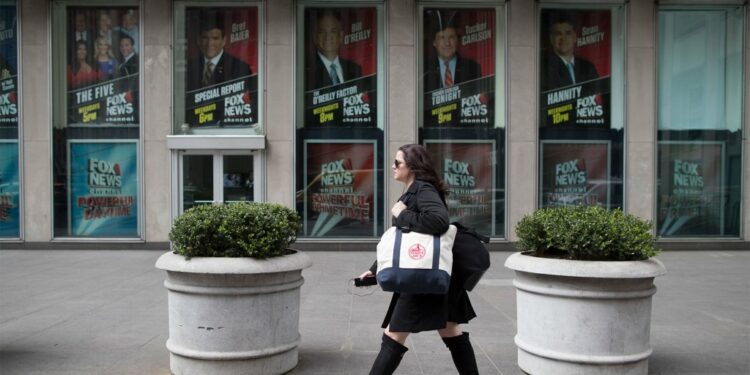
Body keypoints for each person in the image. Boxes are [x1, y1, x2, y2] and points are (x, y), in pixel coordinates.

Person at [359, 144, 478, 375]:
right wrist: (375, 269)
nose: (393, 167)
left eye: (397, 163)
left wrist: (402, 213)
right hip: (428, 274)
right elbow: (403, 241)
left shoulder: (423, 189)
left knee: (393, 335)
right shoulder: (413, 190)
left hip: (422, 277)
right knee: (450, 329)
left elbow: (439, 221)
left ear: (412, 167)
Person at [186, 14, 252, 91]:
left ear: (224, 41)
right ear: (198, 40)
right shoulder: (189, 67)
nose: (210, 43)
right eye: (205, 38)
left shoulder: (240, 68)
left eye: (215, 38)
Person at [306, 10, 362, 90]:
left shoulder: (355, 69)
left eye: (333, 31)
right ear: (315, 37)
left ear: (341, 36)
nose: (328, 36)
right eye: (322, 32)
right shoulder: (307, 72)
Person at [541, 15, 599, 91]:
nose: (563, 38)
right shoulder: (543, 68)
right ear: (551, 38)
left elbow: (598, 92)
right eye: (558, 33)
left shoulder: (588, 67)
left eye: (568, 33)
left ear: (574, 37)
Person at [424, 22, 482, 92]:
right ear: (434, 42)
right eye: (442, 38)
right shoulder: (424, 69)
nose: (447, 43)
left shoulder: (473, 67)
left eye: (451, 37)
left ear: (457, 40)